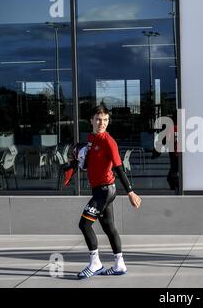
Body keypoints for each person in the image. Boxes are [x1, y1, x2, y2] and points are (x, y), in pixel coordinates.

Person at [77, 104, 142, 279]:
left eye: (105, 120)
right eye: (98, 119)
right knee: (108, 227)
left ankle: (95, 263)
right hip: (100, 189)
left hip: (105, 191)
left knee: (84, 224)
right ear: (91, 120)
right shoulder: (92, 138)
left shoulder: (108, 141)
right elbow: (90, 162)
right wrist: (77, 160)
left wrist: (130, 191)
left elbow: (119, 168)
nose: (102, 123)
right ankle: (119, 265)